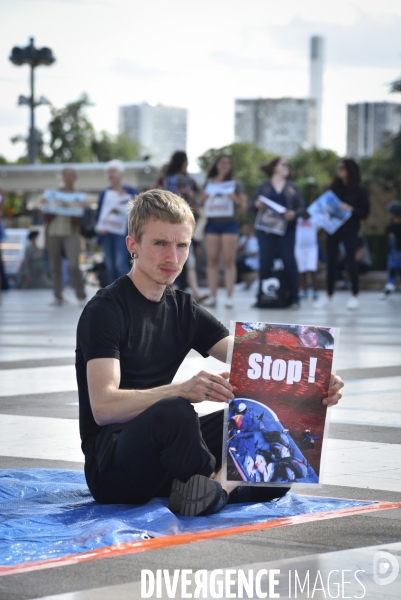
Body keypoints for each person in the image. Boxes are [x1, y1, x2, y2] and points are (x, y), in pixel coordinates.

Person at [75, 188, 344, 517]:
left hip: (166, 461)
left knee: (267, 430)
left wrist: (314, 379)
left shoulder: (182, 308)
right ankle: (217, 486)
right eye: (160, 243)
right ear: (133, 245)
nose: (172, 258)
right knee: (175, 411)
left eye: (182, 245)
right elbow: (103, 407)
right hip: (113, 467)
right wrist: (183, 390)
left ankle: (210, 487)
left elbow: (255, 360)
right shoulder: (106, 309)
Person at [314, 159, 370, 310]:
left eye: (342, 168)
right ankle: (329, 295)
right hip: (332, 229)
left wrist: (350, 208)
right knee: (331, 261)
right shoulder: (334, 188)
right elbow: (324, 207)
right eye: (338, 168)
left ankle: (354, 295)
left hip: (350, 229)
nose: (339, 171)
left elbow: (365, 212)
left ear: (350, 170)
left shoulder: (359, 190)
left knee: (351, 261)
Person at [250, 157, 305, 309]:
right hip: (266, 230)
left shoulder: (293, 187)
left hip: (287, 231)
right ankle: (262, 297)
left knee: (289, 261)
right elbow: (251, 206)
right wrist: (256, 204)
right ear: (274, 168)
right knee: (265, 262)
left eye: (288, 164)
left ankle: (294, 298)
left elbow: (301, 207)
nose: (287, 167)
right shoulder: (263, 186)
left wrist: (293, 213)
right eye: (283, 164)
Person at [155, 151, 208, 303]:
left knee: (186, 258)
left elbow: (197, 204)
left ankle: (194, 292)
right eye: (185, 162)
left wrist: (192, 197)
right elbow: (153, 194)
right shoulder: (165, 178)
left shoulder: (190, 181)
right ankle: (174, 287)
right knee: (170, 256)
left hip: (184, 224)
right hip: (166, 223)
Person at [201, 154, 246, 308]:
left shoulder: (235, 183)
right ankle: (212, 296)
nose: (225, 165)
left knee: (228, 261)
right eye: (222, 162)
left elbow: (244, 206)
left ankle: (229, 297)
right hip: (212, 223)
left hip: (229, 224)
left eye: (228, 163)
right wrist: (203, 198)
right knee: (212, 261)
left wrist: (235, 199)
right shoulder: (208, 182)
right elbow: (199, 203)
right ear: (217, 164)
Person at [44, 168, 86, 306]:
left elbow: (79, 219)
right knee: (55, 265)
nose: (67, 178)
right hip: (53, 232)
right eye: (65, 175)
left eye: (70, 175)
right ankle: (58, 296)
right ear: (62, 177)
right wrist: (46, 205)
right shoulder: (53, 194)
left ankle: (81, 295)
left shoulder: (78, 195)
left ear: (74, 177)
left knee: (74, 264)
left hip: (71, 232)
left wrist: (80, 209)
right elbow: (46, 216)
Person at [95, 160, 137, 285]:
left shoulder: (131, 191)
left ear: (121, 173)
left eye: (113, 171)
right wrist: (99, 227)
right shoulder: (104, 193)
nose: (111, 175)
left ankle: (128, 292)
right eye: (108, 172)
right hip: (107, 233)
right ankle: (114, 294)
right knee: (110, 265)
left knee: (120, 263)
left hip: (122, 233)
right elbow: (99, 214)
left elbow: (137, 212)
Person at [295, 210, 319, 300]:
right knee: (301, 271)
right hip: (299, 248)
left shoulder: (315, 220)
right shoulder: (298, 220)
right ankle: (303, 290)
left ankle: (315, 291)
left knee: (312, 270)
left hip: (311, 248)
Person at [380, 201, 401, 298]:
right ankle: (389, 287)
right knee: (393, 270)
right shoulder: (391, 227)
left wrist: (394, 254)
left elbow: (392, 242)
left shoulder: (391, 227)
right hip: (396, 253)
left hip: (395, 253)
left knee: (393, 269)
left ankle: (389, 287)